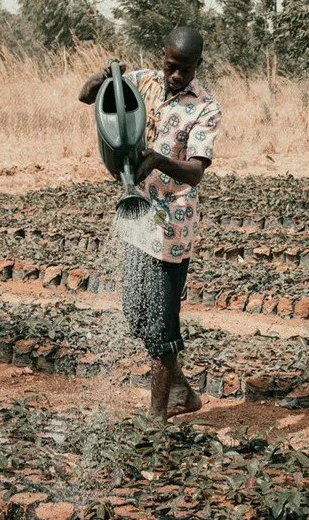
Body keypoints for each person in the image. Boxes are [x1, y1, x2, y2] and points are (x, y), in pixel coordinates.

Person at [78, 26, 221, 420]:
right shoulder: (142, 82)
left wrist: (158, 160)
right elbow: (88, 96)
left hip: (172, 225)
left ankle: (157, 416)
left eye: (185, 69)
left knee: (160, 323)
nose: (176, 76)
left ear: (198, 65)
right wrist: (104, 76)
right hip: (137, 210)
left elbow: (195, 172)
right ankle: (182, 391)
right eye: (171, 66)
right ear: (163, 56)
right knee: (135, 311)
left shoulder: (206, 108)